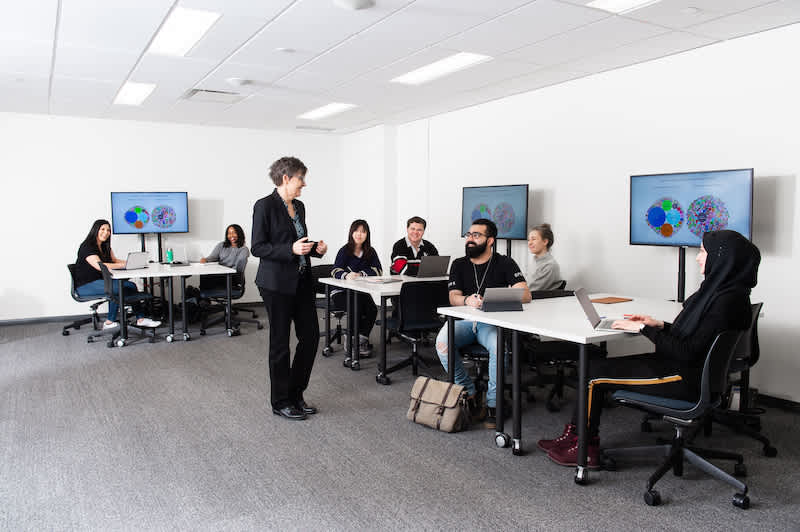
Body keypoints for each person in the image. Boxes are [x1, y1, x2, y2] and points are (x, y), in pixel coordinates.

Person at [539, 230, 760, 469]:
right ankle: (573, 437)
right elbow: (699, 336)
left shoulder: (724, 302)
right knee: (594, 366)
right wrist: (660, 325)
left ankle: (584, 448)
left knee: (591, 375)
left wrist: (644, 328)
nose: (697, 257)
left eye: (703, 252)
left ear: (722, 258)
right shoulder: (728, 294)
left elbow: (687, 351)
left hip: (684, 379)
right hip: (688, 371)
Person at [435, 218, 531, 429]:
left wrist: (493, 299)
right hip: (465, 322)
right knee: (442, 343)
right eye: (468, 235)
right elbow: (453, 298)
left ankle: (494, 403)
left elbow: (525, 294)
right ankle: (468, 392)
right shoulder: (459, 264)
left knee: (498, 348)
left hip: (490, 323)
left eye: (476, 235)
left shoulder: (505, 262)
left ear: (490, 241)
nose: (470, 239)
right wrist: (467, 300)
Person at [252, 156, 328, 421]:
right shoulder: (264, 206)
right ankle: (280, 400)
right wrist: (290, 249)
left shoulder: (300, 207)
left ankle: (296, 393)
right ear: (286, 178)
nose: (303, 185)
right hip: (275, 285)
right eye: (300, 179)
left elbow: (299, 242)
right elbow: (258, 247)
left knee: (311, 338)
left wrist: (314, 250)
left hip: (302, 282)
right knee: (280, 344)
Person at [74, 219, 161, 330]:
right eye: (103, 229)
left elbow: (114, 260)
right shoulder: (87, 247)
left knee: (131, 285)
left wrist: (131, 263)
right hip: (86, 285)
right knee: (119, 288)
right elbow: (101, 266)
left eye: (108, 230)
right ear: (95, 230)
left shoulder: (105, 246)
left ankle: (141, 319)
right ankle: (109, 322)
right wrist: (123, 266)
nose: (106, 232)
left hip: (101, 281)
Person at [331, 219, 382, 356]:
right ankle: (351, 342)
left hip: (360, 291)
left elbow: (378, 270)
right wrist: (346, 275)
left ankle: (360, 341)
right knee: (357, 307)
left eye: (363, 232)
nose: (359, 234)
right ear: (351, 233)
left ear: (367, 235)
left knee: (372, 309)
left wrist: (360, 274)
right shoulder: (344, 250)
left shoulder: (370, 252)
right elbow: (335, 270)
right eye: (356, 231)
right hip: (341, 291)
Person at [199, 224, 250, 290]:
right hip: (220, 274)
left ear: (239, 234)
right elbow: (213, 257)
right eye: (229, 233)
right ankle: (200, 298)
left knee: (207, 279)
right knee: (204, 276)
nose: (231, 235)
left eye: (234, 233)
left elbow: (238, 269)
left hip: (231, 277)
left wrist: (224, 271)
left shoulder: (244, 249)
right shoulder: (221, 245)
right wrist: (205, 259)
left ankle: (200, 297)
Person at [526, 223, 562, 291]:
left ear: (545, 241)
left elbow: (530, 291)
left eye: (533, 239)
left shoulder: (550, 266)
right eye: (529, 240)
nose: (529, 243)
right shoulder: (535, 261)